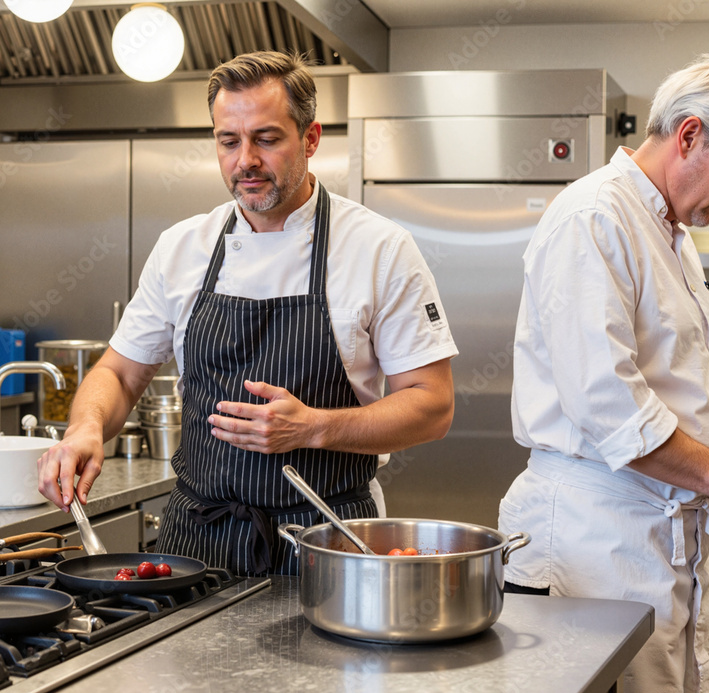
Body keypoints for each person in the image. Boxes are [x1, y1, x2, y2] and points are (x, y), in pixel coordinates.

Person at [38, 51, 458, 576]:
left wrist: (314, 428)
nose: (245, 161)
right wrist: (85, 428)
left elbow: (432, 405)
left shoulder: (379, 249)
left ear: (310, 138)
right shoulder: (182, 247)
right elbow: (120, 374)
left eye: (266, 138)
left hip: (326, 541)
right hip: (196, 540)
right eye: (229, 141)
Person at [498, 54, 709, 693]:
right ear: (689, 135)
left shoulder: (670, 231)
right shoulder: (593, 217)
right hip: (594, 544)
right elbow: (610, 405)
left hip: (654, 536)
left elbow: (680, 370)